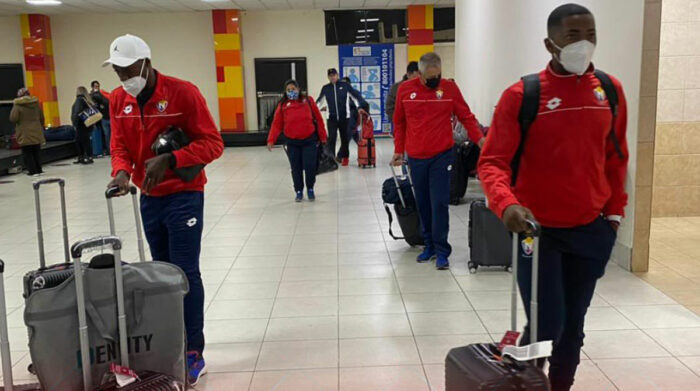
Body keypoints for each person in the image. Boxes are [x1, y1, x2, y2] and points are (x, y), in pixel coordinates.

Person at [477, 4, 628, 391]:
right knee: (548, 324)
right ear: (550, 43)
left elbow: (615, 158)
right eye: (573, 36)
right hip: (537, 233)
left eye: (590, 34)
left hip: (591, 230)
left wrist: (613, 218)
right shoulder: (522, 95)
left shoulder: (608, 90)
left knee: (573, 327)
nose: (585, 44)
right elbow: (492, 161)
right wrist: (506, 203)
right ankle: (525, 382)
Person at [104, 33, 224, 386]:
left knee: (184, 271)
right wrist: (122, 172)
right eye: (118, 72)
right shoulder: (117, 100)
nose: (125, 79)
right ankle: (170, 343)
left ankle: (193, 351)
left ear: (146, 62)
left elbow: (213, 144)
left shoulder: (182, 93)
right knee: (161, 274)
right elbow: (119, 144)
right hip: (148, 196)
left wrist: (172, 159)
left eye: (129, 70)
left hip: (184, 193)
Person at [392, 52, 484, 270]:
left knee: (440, 203)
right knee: (423, 203)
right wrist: (398, 150)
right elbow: (399, 122)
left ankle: (442, 250)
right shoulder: (405, 90)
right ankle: (429, 246)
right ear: (419, 74)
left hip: (442, 155)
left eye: (437, 76)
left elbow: (466, 116)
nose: (434, 81)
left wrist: (480, 139)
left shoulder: (449, 89)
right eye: (429, 77)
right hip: (415, 157)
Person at [267, 79, 328, 202]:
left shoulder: (308, 101)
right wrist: (271, 139)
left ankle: (310, 188)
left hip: (309, 140)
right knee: (296, 168)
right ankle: (298, 191)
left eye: (293, 89)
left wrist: (323, 136)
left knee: (310, 166)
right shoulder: (283, 105)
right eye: (288, 90)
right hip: (292, 142)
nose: (291, 92)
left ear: (298, 89)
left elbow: (319, 119)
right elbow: (277, 124)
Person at [316, 68, 368, 166]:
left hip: (345, 117)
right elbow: (319, 101)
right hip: (331, 118)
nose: (332, 77)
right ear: (328, 77)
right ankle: (331, 159)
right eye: (330, 76)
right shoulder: (326, 88)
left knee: (344, 138)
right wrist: (313, 111)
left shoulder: (345, 86)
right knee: (331, 139)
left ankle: (345, 158)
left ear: (337, 75)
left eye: (334, 75)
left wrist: (359, 107)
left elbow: (355, 97)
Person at [9, 88, 45, 176]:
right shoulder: (35, 104)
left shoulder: (17, 105)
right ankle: (39, 169)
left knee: (27, 152)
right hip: (36, 131)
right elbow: (41, 117)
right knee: (36, 151)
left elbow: (13, 119)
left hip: (24, 133)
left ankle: (32, 171)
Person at [386, 61, 420, 132]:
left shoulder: (423, 88)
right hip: (402, 126)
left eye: (419, 77)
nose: (417, 80)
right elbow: (389, 108)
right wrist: (399, 121)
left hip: (419, 127)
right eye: (414, 77)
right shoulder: (396, 88)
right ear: (408, 75)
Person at [71, 86, 95, 165]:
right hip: (87, 123)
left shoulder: (79, 100)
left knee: (79, 141)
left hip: (80, 124)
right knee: (86, 141)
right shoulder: (87, 100)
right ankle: (89, 156)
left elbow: (77, 112)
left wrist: (74, 123)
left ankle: (82, 157)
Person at [91, 80, 111, 156]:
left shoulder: (102, 94)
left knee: (110, 135)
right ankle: (108, 150)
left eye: (98, 86)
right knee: (106, 135)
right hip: (103, 118)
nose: (97, 88)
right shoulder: (93, 95)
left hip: (107, 116)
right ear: (92, 87)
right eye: (95, 86)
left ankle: (110, 150)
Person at [342, 76, 360, 144]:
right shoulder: (341, 93)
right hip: (344, 116)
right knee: (354, 134)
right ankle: (363, 150)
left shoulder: (355, 92)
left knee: (348, 134)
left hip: (352, 115)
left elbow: (358, 103)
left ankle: (342, 153)